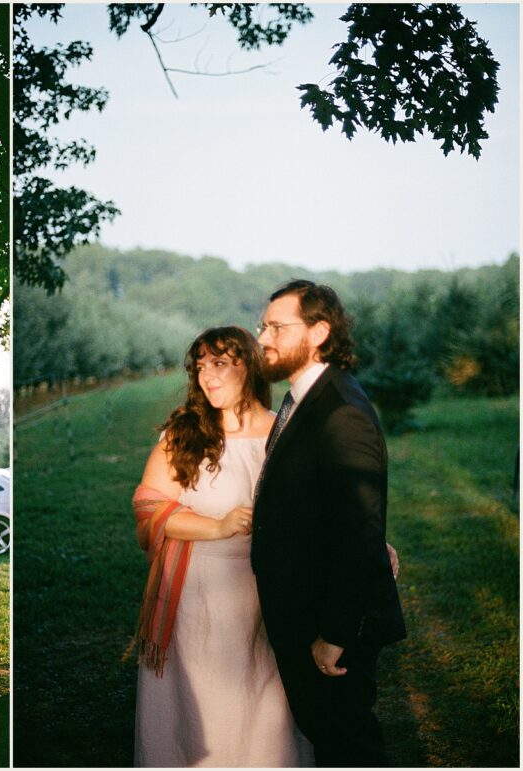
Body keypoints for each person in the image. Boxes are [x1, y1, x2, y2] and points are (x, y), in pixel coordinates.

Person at [132, 327, 313, 767]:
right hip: (198, 594)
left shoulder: (284, 432)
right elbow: (148, 505)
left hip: (268, 591)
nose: (207, 377)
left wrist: (368, 546)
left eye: (219, 364)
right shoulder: (184, 434)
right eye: (200, 367)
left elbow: (321, 506)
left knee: (267, 696)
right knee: (205, 705)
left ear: (248, 365)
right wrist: (217, 526)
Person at [251, 280, 406, 767]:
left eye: (277, 326)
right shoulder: (302, 399)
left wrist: (337, 633)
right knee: (329, 738)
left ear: (318, 332)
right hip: (304, 609)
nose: (263, 338)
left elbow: (359, 531)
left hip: (330, 622)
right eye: (263, 326)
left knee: (348, 746)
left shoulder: (342, 413)